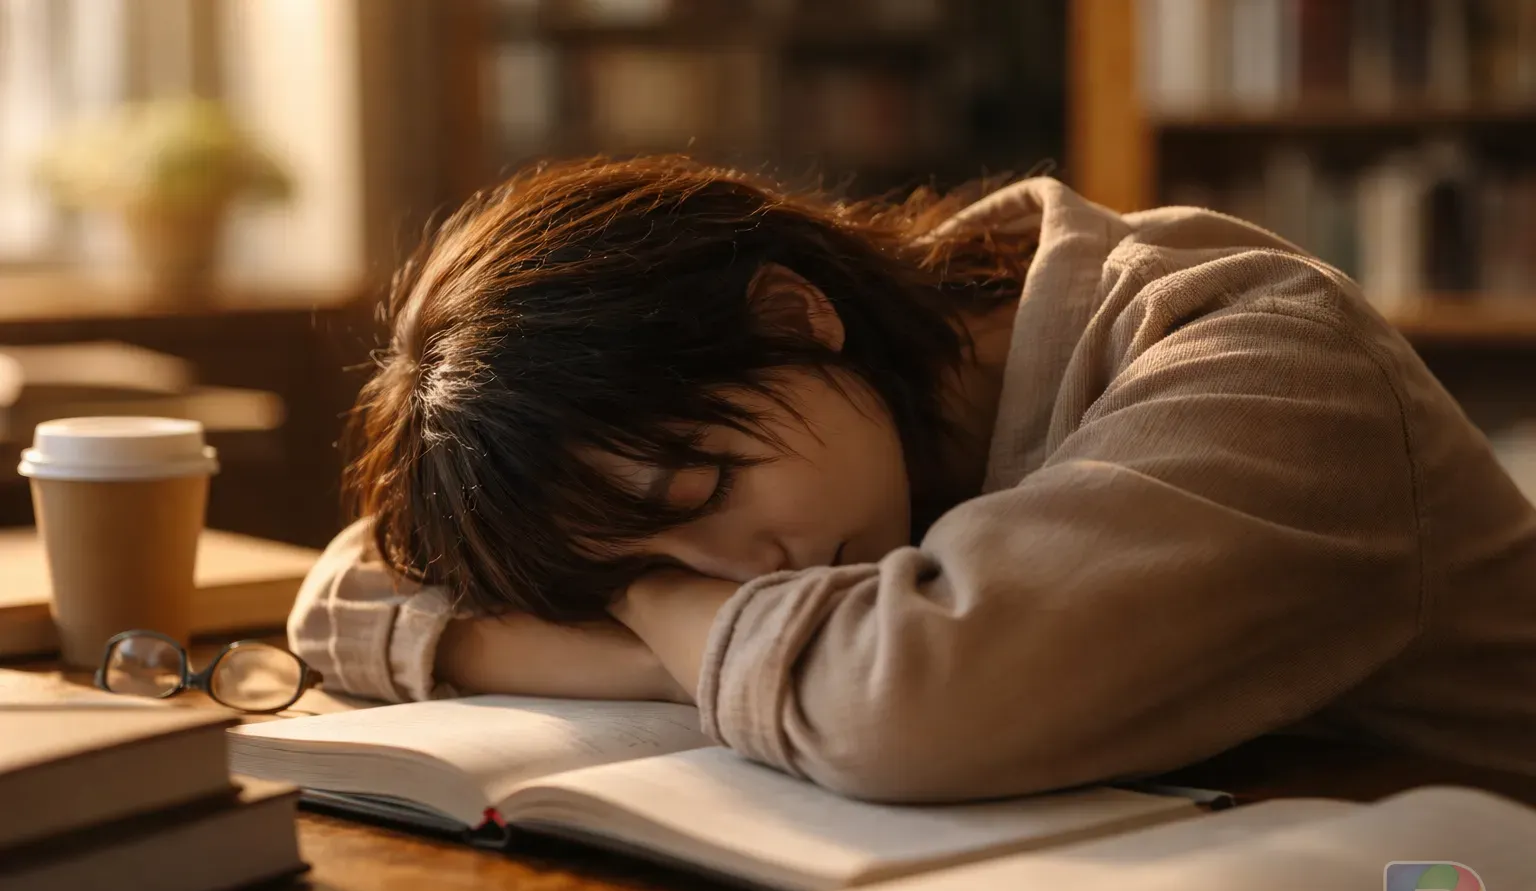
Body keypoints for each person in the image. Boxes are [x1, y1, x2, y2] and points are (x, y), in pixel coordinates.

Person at [289, 154, 1536, 803]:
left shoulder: (1253, 350)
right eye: (646, 570)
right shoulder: (865, 414)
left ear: (796, 314)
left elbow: (908, 700)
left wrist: (641, 609)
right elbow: (353, 584)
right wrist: (649, 618)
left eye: (698, 490)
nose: (740, 576)